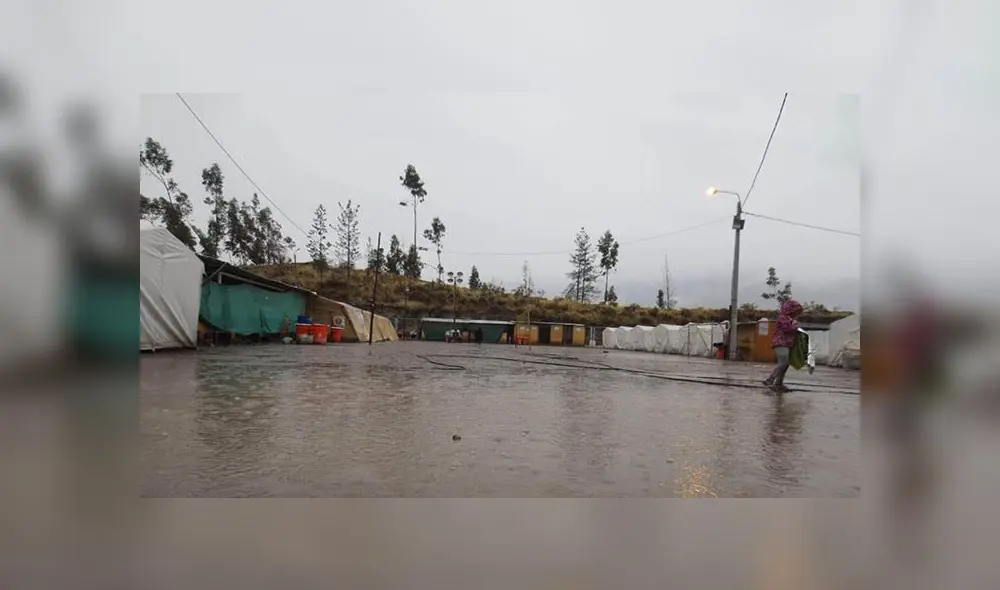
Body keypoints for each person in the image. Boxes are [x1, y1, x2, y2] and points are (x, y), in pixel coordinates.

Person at [763, 299, 803, 393]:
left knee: (786, 364)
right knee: (783, 363)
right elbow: (787, 329)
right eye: (795, 311)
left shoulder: (790, 319)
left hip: (786, 344)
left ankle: (778, 384)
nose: (797, 313)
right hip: (780, 343)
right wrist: (795, 325)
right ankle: (770, 379)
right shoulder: (783, 318)